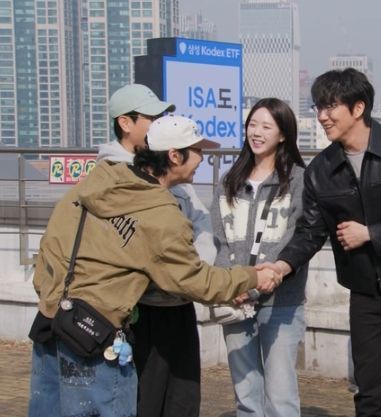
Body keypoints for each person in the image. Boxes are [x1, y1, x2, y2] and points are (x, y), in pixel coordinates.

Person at [27, 114, 282, 417]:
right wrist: (252, 276)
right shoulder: (161, 215)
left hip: (52, 322)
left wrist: (52, 295)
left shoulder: (100, 181)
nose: (202, 158)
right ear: (174, 156)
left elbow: (51, 242)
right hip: (95, 338)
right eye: (197, 150)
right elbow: (197, 281)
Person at [261, 68, 381, 417]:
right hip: (365, 293)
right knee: (367, 391)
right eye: (318, 107)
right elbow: (310, 232)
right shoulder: (321, 169)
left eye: (330, 106)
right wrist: (282, 264)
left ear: (358, 108)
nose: (322, 116)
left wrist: (371, 233)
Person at [97, 83, 214, 417]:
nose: (158, 122)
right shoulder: (113, 178)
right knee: (145, 399)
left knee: (182, 398)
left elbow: (203, 226)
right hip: (138, 308)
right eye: (151, 117)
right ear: (125, 122)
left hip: (180, 300)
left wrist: (192, 268)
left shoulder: (178, 182)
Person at [212, 97, 308, 416]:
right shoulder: (230, 181)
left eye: (266, 126)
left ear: (283, 135)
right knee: (246, 394)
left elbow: (298, 237)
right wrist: (231, 286)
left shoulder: (297, 180)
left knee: (280, 396)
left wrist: (258, 284)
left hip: (281, 301)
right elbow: (221, 242)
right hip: (236, 299)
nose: (257, 132)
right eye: (252, 125)